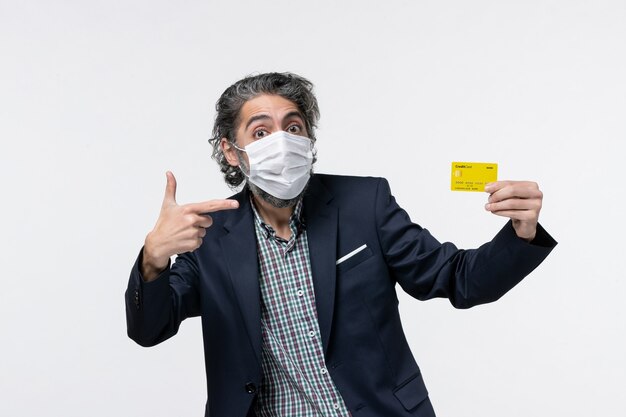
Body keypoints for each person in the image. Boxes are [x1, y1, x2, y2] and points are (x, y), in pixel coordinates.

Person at [125, 72, 557, 417]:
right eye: (260, 132)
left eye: (293, 127)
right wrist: (154, 258)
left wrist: (522, 231)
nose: (282, 140)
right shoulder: (209, 235)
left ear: (308, 141)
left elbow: (458, 279)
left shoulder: (363, 203)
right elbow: (149, 330)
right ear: (232, 152)